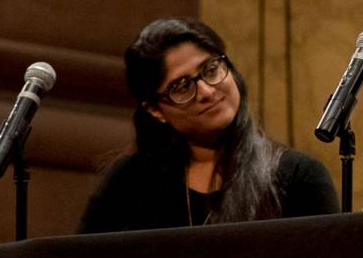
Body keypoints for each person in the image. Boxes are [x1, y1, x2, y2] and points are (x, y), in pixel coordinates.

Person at [78, 18, 337, 232]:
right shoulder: (130, 183)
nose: (206, 91)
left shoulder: (298, 178)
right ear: (155, 110)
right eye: (181, 86)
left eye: (211, 69)